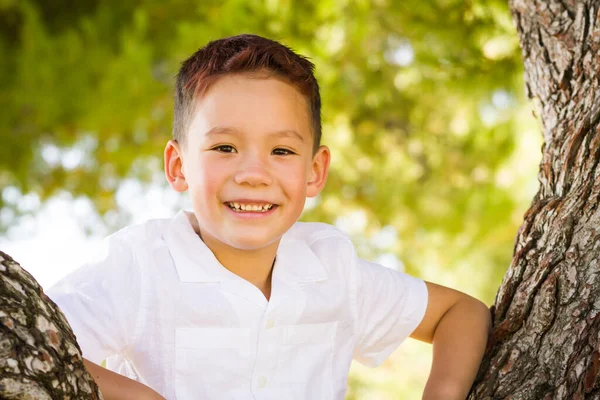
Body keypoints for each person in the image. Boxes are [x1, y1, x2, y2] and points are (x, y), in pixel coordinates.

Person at [47, 34, 491, 400]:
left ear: (315, 171)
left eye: (281, 151)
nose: (254, 174)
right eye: (225, 148)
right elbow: (29, 344)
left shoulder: (330, 268)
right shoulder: (143, 265)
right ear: (178, 166)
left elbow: (462, 313)